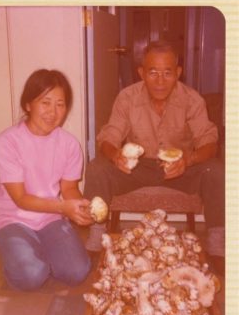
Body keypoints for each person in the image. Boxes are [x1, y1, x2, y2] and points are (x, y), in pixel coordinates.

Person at [84, 41, 223, 257]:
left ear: (178, 73)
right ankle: (96, 237)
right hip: (136, 168)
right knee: (97, 168)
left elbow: (210, 143)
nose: (160, 81)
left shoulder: (192, 100)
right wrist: (115, 156)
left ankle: (217, 242)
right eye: (153, 73)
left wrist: (188, 161)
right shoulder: (127, 98)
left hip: (181, 169)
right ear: (141, 73)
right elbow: (109, 137)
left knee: (215, 170)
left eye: (167, 73)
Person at [0, 69, 91, 291]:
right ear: (28, 104)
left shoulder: (70, 144)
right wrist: (63, 207)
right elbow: (20, 199)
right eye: (45, 103)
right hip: (12, 217)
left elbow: (69, 188)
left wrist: (80, 207)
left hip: (49, 216)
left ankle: (36, 251)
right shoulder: (7, 142)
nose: (53, 112)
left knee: (77, 271)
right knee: (31, 276)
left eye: (60, 104)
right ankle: (18, 256)